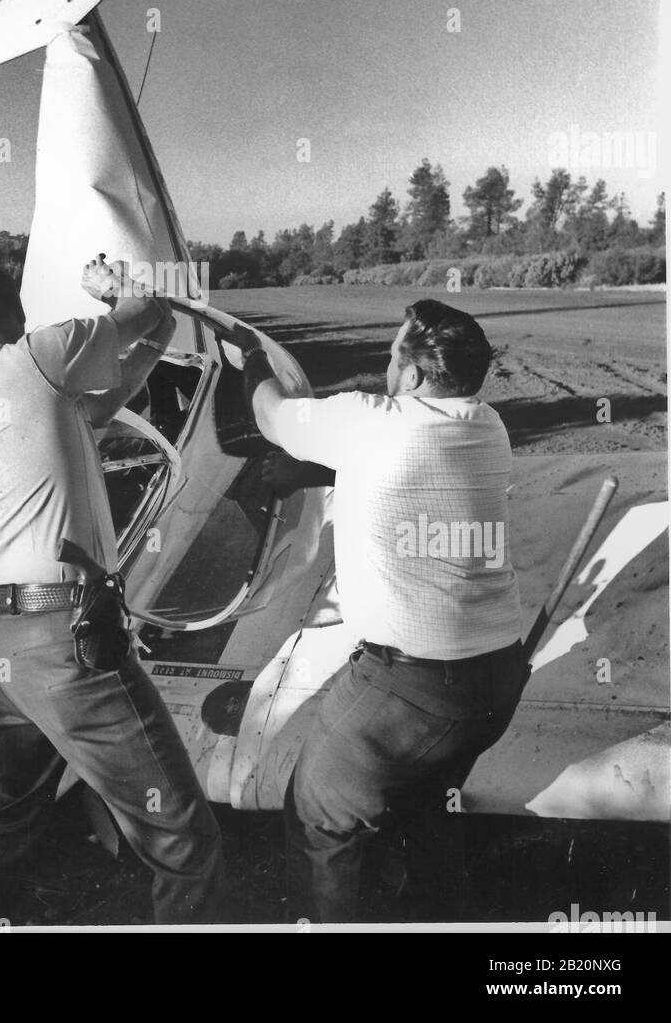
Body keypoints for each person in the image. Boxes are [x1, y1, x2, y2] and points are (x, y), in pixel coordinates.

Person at [0, 258, 223, 926]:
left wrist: (155, 331)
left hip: (0, 642)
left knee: (14, 816)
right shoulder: (36, 356)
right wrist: (122, 290)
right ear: (17, 311)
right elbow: (137, 308)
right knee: (184, 837)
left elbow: (99, 402)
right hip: (61, 643)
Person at [230, 298, 524, 923]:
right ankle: (438, 914)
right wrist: (310, 473)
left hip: (410, 686)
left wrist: (251, 356)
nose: (385, 370)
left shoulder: (371, 417)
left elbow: (269, 412)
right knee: (424, 805)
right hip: (495, 681)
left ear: (415, 376)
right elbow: (409, 474)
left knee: (319, 821)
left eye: (392, 358)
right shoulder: (486, 426)